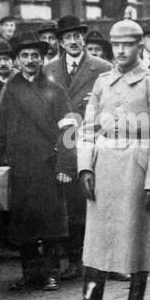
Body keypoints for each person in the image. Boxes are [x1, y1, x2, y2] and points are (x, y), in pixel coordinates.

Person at [58, 19, 150, 300]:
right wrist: (84, 165)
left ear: (139, 46)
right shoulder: (102, 83)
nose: (121, 51)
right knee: (97, 236)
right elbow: (88, 129)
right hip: (104, 166)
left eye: (128, 45)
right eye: (117, 45)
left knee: (138, 234)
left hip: (138, 166)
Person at [0, 31, 73, 292]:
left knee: (50, 224)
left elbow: (69, 132)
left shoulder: (56, 90)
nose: (30, 60)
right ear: (17, 60)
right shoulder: (11, 90)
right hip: (20, 167)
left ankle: (50, 273)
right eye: (25, 56)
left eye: (35, 55)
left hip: (48, 166)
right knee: (24, 225)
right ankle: (29, 273)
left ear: (43, 59)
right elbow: (0, 130)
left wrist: (66, 166)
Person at [43, 14, 111, 277]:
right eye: (68, 37)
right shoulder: (48, 70)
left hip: (92, 143)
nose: (74, 41)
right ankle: (75, 259)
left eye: (78, 36)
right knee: (69, 204)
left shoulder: (102, 67)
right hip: (61, 145)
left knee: (95, 201)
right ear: (60, 42)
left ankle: (101, 261)